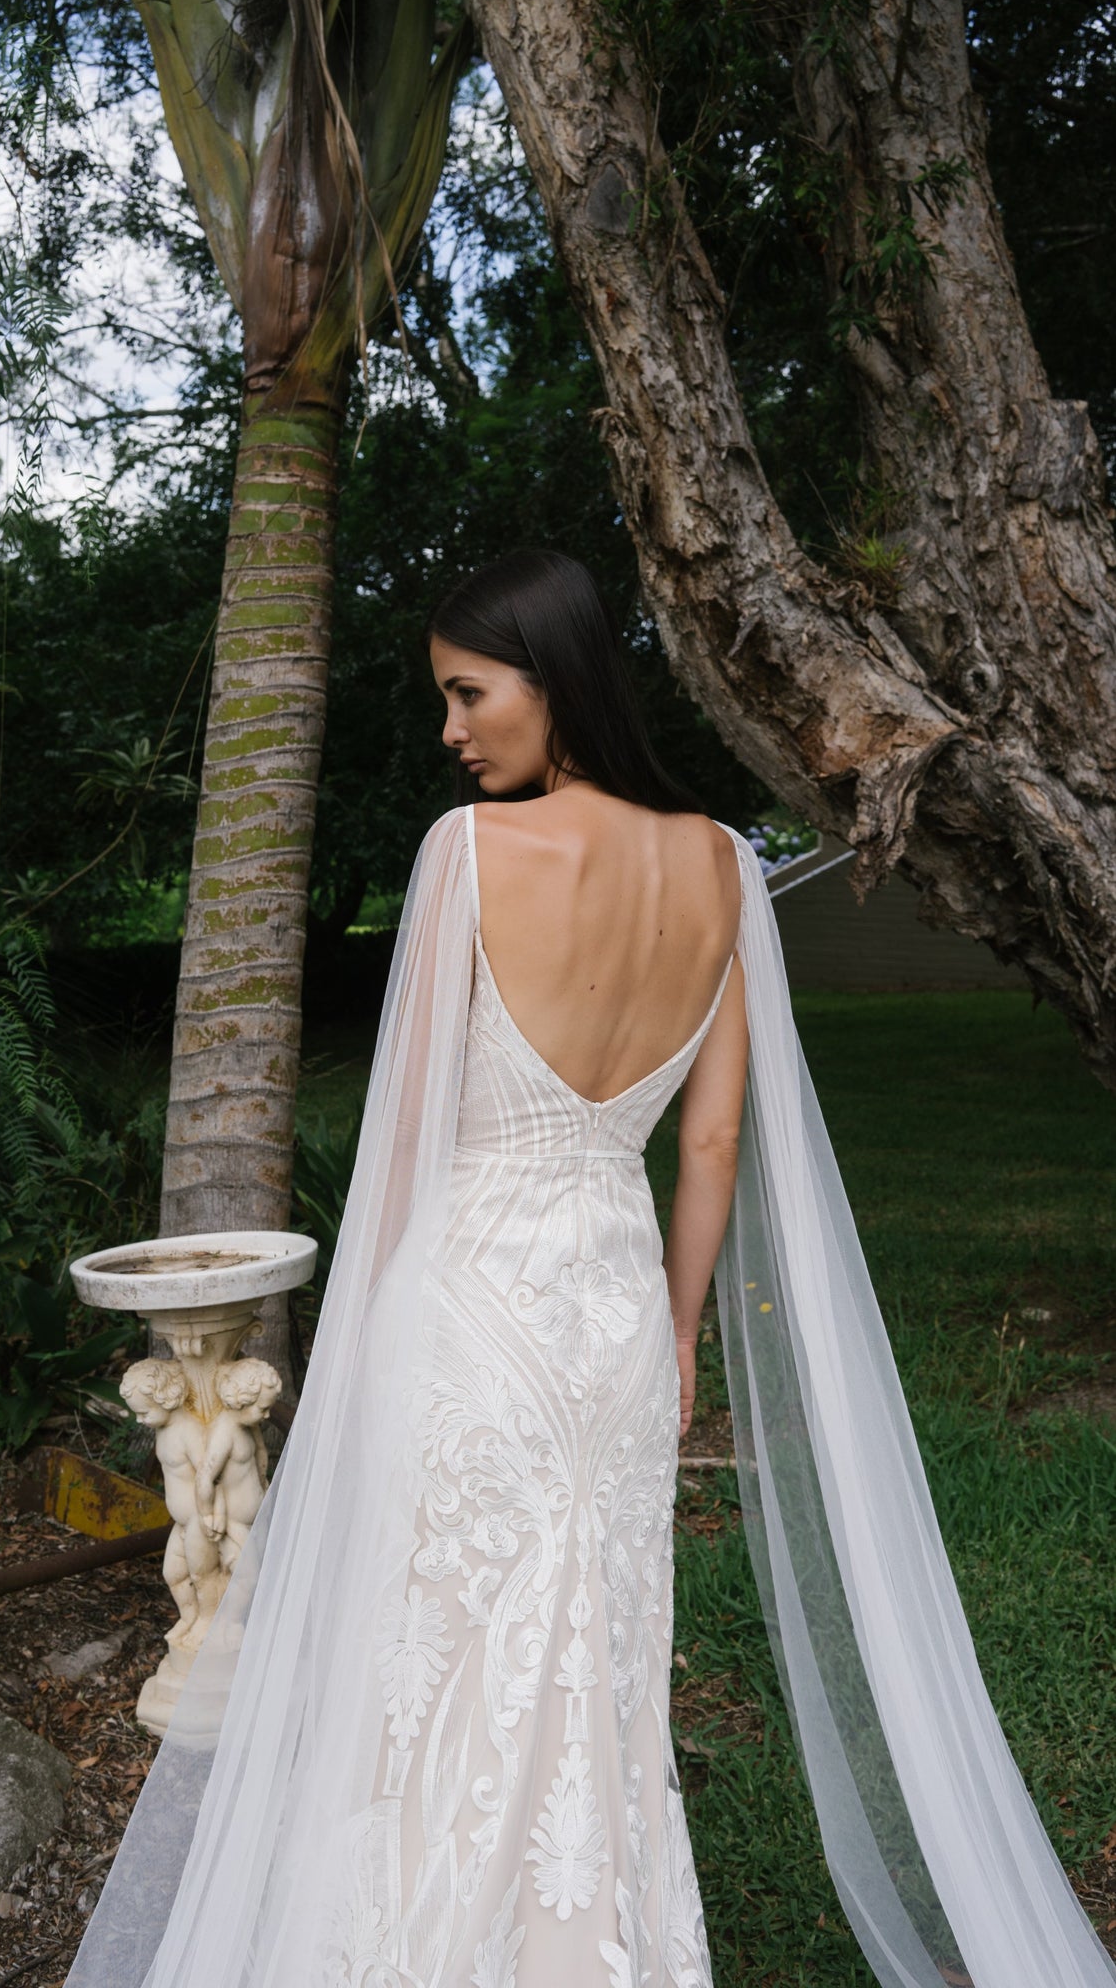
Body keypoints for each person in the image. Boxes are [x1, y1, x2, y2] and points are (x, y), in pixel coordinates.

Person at [67, 552, 1115, 1988]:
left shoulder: (466, 855)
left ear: (550, 680)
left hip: (465, 1307)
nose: (451, 730)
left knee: (433, 1652)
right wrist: (677, 1335)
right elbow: (712, 1141)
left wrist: (356, 1340)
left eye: (467, 694)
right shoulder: (723, 867)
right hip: (616, 1319)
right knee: (594, 1660)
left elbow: (407, 1140)